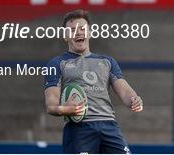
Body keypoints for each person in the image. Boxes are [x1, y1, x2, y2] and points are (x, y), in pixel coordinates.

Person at [44, 9, 143, 154]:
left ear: (89, 32)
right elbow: (50, 105)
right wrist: (66, 109)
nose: (78, 33)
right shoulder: (56, 63)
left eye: (82, 29)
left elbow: (124, 90)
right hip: (79, 129)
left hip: (109, 125)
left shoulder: (107, 61)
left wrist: (134, 100)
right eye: (72, 30)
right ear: (65, 36)